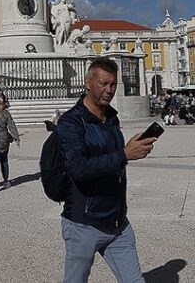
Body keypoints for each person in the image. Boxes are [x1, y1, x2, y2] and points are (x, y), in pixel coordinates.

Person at [56, 57, 155, 282]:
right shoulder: (71, 123)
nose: (109, 90)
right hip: (84, 223)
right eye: (103, 83)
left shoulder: (111, 117)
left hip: (117, 223)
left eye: (113, 84)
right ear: (87, 83)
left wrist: (129, 150)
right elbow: (78, 168)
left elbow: (111, 160)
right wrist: (124, 154)